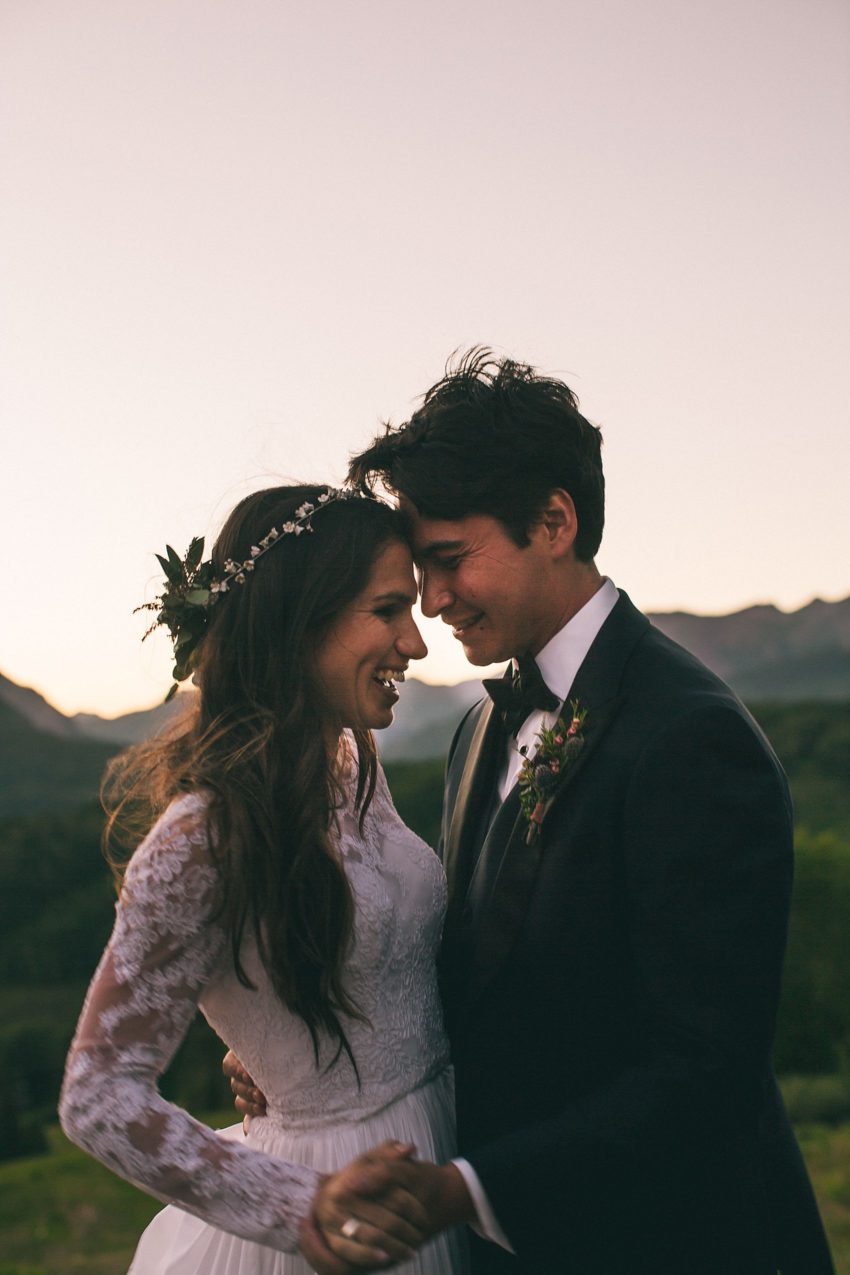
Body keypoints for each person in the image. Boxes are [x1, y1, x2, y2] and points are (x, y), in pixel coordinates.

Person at [230, 351, 835, 1274]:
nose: (431, 604)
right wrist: (321, 1058)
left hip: (677, 1242)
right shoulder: (479, 727)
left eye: (449, 560)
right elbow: (483, 974)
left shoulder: (693, 740)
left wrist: (469, 1189)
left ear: (555, 521)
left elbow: (704, 1073)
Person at [59, 483, 469, 1275]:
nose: (414, 644)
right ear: (300, 620)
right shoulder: (203, 835)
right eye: (388, 610)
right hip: (342, 1198)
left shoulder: (351, 763)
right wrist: (295, 1200)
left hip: (446, 1142)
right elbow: (97, 1093)